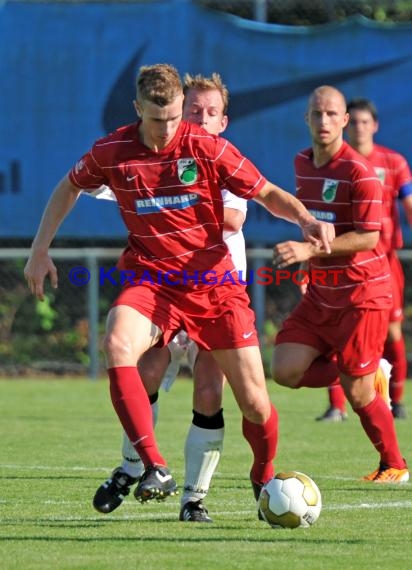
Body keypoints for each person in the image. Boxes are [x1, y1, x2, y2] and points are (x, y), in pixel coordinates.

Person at [24, 64, 335, 518]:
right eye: (158, 119)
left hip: (214, 285)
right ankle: (154, 467)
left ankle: (262, 473)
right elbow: (69, 186)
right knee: (117, 342)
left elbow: (265, 192)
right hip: (152, 278)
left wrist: (306, 219)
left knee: (253, 400)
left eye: (175, 118)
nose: (168, 129)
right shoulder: (113, 151)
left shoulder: (207, 147)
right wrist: (39, 249)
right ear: (137, 110)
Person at [91, 72, 248, 523]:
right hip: (164, 291)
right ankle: (134, 467)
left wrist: (172, 206)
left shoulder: (225, 163)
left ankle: (194, 499)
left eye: (209, 113)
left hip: (217, 293)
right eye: (192, 111)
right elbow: (101, 181)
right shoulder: (157, 158)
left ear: (223, 121)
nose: (198, 119)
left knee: (208, 391)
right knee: (146, 371)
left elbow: (234, 218)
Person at [272, 85, 409, 483]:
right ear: (307, 119)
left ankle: (394, 464)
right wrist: (307, 263)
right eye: (317, 114)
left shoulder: (359, 173)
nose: (324, 121)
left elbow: (368, 237)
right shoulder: (302, 163)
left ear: (345, 121)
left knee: (358, 393)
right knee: (285, 370)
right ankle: (363, 369)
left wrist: (307, 252)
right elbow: (312, 222)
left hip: (362, 295)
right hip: (321, 293)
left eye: (333, 114)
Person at [316, 97, 412, 422]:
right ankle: (336, 406)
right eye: (353, 121)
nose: (359, 127)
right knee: (334, 332)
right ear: (345, 124)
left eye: (364, 122)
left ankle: (396, 400)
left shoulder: (394, 162)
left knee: (393, 333)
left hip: (384, 262)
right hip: (341, 262)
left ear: (375, 125)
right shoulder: (334, 163)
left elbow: (409, 206)